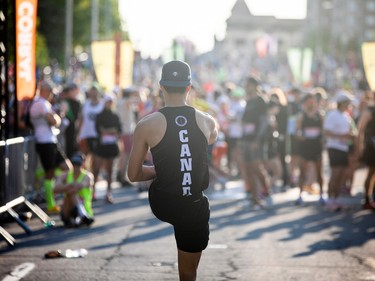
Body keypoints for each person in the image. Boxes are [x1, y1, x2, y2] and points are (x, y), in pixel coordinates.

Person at [128, 60, 217, 281]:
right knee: (188, 272)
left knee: (183, 207)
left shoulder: (147, 125)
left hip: (163, 201)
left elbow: (134, 174)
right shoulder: (208, 122)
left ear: (161, 86)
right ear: (189, 88)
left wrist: (162, 170)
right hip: (192, 204)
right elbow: (211, 139)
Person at [29, 81, 72, 213]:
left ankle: (39, 174)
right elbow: (54, 121)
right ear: (45, 91)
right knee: (50, 174)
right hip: (44, 141)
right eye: (51, 92)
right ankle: (50, 204)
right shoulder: (41, 103)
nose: (52, 95)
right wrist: (57, 117)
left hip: (50, 141)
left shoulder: (44, 103)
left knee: (66, 168)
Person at [240, 76, 272, 209]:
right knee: (248, 169)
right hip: (246, 140)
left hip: (256, 141)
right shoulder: (248, 101)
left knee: (257, 168)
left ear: (254, 85)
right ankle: (255, 199)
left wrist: (257, 140)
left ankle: (268, 195)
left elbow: (264, 122)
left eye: (248, 84)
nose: (246, 87)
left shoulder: (260, 101)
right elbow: (245, 122)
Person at [323, 91, 357, 211]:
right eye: (348, 102)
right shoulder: (332, 115)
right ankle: (330, 200)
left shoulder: (346, 116)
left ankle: (336, 199)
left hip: (344, 148)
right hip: (334, 148)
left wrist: (351, 136)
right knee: (335, 173)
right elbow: (326, 132)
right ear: (342, 103)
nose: (349, 104)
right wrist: (341, 136)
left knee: (342, 174)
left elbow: (351, 132)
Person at [295, 93, 325, 205]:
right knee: (302, 171)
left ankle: (322, 194)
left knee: (319, 171)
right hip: (305, 146)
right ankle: (300, 195)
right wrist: (301, 136)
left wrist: (322, 138)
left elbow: (323, 130)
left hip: (316, 146)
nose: (311, 104)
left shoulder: (320, 115)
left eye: (312, 101)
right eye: (309, 102)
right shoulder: (301, 116)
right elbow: (296, 131)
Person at [93, 93, 122, 204]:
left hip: (111, 146)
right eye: (107, 101)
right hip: (101, 147)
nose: (109, 104)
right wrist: (110, 131)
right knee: (96, 170)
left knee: (109, 171)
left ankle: (108, 193)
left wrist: (107, 131)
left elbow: (118, 130)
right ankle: (93, 193)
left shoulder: (115, 116)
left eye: (111, 102)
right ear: (104, 102)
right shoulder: (99, 116)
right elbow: (99, 130)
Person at [77, 84, 104, 199]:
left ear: (98, 92)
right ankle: (80, 190)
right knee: (82, 164)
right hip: (85, 136)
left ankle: (92, 191)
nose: (93, 93)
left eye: (95, 91)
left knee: (96, 166)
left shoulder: (102, 105)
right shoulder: (86, 104)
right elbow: (81, 119)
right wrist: (78, 134)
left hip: (98, 137)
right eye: (91, 91)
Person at [54, 152, 95, 227]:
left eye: (78, 164)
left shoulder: (87, 176)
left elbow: (82, 185)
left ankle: (82, 215)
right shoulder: (65, 175)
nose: (76, 167)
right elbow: (55, 188)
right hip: (68, 210)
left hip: (85, 208)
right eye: (74, 164)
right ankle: (82, 216)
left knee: (71, 192)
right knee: (70, 193)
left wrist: (67, 187)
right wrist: (70, 185)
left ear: (82, 164)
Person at [356, 91, 375, 210]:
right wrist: (359, 147)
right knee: (371, 172)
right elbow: (360, 130)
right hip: (371, 146)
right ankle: (367, 199)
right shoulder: (369, 111)